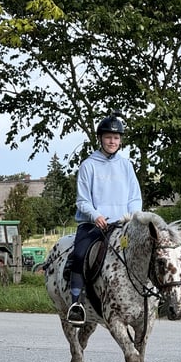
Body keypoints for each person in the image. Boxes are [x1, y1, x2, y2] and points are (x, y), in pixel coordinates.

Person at [67, 110, 143, 325]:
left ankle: (154, 298)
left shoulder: (126, 166)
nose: (112, 141)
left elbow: (134, 197)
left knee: (149, 251)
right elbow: (82, 200)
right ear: (100, 138)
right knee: (80, 255)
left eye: (116, 138)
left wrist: (132, 218)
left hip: (122, 226)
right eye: (108, 137)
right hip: (95, 225)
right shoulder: (88, 165)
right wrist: (96, 215)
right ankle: (76, 304)